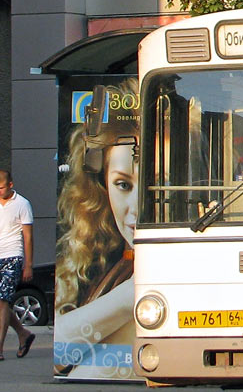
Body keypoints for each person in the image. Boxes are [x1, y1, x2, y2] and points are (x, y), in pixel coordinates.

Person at [54, 81, 139, 376]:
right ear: (102, 185)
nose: (137, 207)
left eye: (157, 182)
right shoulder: (99, 258)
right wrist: (137, 293)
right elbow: (61, 354)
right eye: (123, 185)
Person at [0, 169, 36, 360]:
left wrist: (28, 265)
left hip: (13, 256)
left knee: (3, 300)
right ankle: (23, 333)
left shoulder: (22, 204)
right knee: (0, 303)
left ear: (10, 185)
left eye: (1, 187)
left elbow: (28, 237)